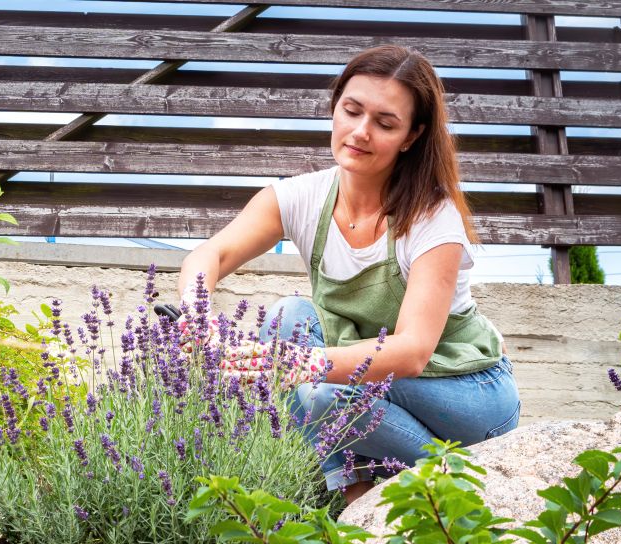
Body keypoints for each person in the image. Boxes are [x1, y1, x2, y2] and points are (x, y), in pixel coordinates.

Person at [174, 45, 521, 503]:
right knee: (288, 317)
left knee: (317, 395)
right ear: (334, 106)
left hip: (466, 393)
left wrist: (289, 364)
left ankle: (466, 482)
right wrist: (194, 316)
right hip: (380, 382)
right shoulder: (300, 197)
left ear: (411, 136)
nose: (360, 132)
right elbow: (211, 254)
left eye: (385, 123)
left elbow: (413, 352)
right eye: (351, 110)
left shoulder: (433, 218)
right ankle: (353, 503)